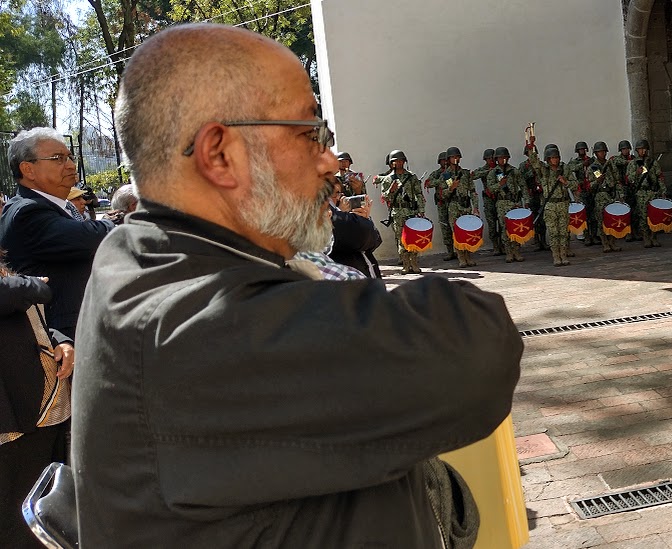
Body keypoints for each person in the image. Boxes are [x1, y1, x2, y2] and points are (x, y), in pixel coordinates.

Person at [73, 23, 523, 548]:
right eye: (311, 134)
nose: (330, 162)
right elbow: (472, 348)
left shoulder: (141, 253)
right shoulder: (190, 323)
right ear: (220, 154)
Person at [0, 127, 116, 338]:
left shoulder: (50, 206)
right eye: (58, 158)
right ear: (28, 169)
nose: (71, 165)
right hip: (62, 342)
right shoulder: (28, 211)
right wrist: (113, 223)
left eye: (70, 157)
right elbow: (88, 238)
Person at [0, 257, 74, 549]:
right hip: (9, 425)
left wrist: (60, 341)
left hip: (41, 415)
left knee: (39, 512)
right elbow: (20, 292)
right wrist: (31, 285)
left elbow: (30, 319)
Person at [377, 150, 426, 274]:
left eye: (401, 160)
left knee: (413, 238)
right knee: (401, 239)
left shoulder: (411, 177)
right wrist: (391, 191)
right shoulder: (388, 179)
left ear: (404, 161)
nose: (398, 163)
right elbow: (384, 197)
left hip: (411, 211)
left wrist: (421, 210)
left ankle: (414, 263)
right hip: (397, 212)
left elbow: (419, 194)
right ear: (391, 163)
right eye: (395, 161)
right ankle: (405, 264)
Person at [527, 146, 573, 266]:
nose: (555, 160)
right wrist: (531, 147)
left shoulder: (565, 169)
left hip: (563, 203)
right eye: (552, 158)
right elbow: (534, 162)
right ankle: (556, 256)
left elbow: (575, 185)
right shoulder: (544, 170)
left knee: (563, 232)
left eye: (556, 157)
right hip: (550, 205)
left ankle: (563, 254)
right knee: (553, 233)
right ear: (547, 159)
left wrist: (566, 182)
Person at [327, 180, 382, 278]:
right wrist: (341, 215)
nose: (339, 198)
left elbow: (375, 241)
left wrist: (364, 219)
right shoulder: (328, 218)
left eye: (339, 193)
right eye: (335, 194)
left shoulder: (352, 218)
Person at [442, 147, 479, 268]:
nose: (455, 159)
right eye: (453, 157)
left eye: (457, 157)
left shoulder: (466, 174)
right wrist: (451, 187)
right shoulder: (446, 175)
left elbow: (473, 191)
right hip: (454, 206)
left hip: (466, 205)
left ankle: (468, 256)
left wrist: (475, 207)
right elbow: (443, 194)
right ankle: (461, 258)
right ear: (448, 159)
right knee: (457, 233)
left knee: (467, 232)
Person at [489, 147, 527, 263]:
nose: (503, 159)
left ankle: (516, 251)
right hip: (502, 203)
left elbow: (523, 185)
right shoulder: (493, 173)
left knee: (516, 228)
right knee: (505, 229)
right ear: (496, 159)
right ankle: (509, 252)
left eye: (505, 157)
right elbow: (490, 189)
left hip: (514, 202)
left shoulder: (514, 171)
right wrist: (499, 184)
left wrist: (526, 200)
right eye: (500, 158)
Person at [630, 139, 665, 248]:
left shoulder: (653, 162)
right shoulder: (633, 163)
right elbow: (629, 179)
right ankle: (646, 237)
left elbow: (660, 177)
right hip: (641, 193)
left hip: (653, 192)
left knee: (654, 216)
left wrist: (663, 191)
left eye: (644, 149)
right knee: (643, 216)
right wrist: (636, 173)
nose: (643, 151)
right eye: (640, 149)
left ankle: (653, 237)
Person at [423, 151, 456, 260]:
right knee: (445, 226)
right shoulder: (437, 173)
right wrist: (441, 179)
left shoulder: (453, 171)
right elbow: (428, 183)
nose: (445, 162)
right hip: (442, 204)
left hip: (453, 202)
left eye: (446, 160)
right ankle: (450, 251)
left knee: (456, 226)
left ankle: (459, 250)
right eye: (443, 160)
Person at [471, 149, 503, 256]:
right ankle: (495, 246)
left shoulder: (498, 170)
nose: (491, 160)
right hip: (488, 200)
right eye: (489, 159)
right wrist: (487, 171)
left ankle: (503, 245)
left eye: (493, 158)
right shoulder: (484, 169)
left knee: (502, 223)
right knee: (492, 224)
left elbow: (502, 182)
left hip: (499, 198)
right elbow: (473, 175)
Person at [565, 141, 595, 246]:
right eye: (580, 149)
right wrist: (583, 164)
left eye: (583, 149)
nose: (582, 151)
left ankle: (594, 235)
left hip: (591, 189)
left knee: (593, 213)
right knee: (584, 214)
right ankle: (586, 235)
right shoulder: (574, 162)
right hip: (580, 190)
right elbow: (570, 169)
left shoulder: (591, 160)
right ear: (577, 151)